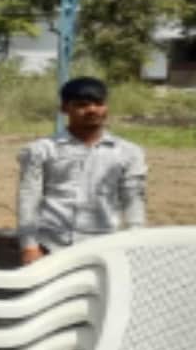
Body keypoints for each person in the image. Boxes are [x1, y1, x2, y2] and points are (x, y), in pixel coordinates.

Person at [16, 76, 147, 265]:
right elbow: (29, 199)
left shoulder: (129, 152)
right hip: (51, 246)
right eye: (82, 104)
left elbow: (134, 200)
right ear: (64, 109)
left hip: (105, 247)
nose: (92, 110)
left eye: (99, 103)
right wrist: (29, 246)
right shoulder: (41, 150)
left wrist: (136, 244)